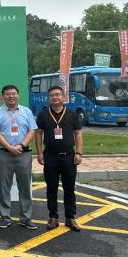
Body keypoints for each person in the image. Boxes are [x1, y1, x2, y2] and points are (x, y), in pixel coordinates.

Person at [36, 86, 84, 231]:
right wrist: (39, 153)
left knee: (69, 188)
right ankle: (53, 217)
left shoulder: (72, 114)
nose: (55, 97)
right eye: (52, 95)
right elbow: (38, 134)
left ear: (63, 97)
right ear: (48, 98)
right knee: (51, 188)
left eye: (57, 94)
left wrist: (79, 153)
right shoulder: (43, 115)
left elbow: (78, 133)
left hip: (69, 156)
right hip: (50, 156)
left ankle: (70, 218)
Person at [0, 85, 38, 230]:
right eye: (8, 94)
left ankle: (25, 218)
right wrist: (9, 147)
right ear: (3, 96)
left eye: (13, 93)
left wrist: (21, 145)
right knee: (4, 187)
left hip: (23, 154)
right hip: (4, 154)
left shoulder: (27, 111)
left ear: (18, 95)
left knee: (25, 187)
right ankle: (5, 217)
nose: (11, 96)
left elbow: (32, 130)